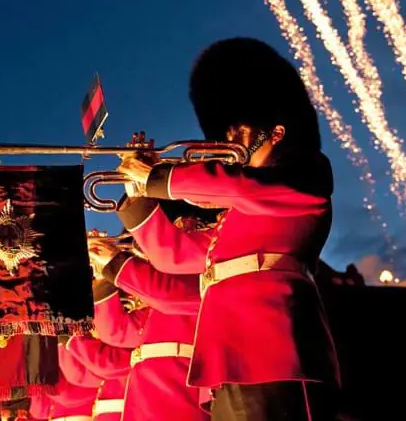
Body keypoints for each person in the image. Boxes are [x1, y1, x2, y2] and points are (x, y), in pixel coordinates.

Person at [111, 38, 341, 421]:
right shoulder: (237, 213)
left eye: (238, 132)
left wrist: (160, 177)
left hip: (276, 346)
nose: (227, 141)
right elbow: (175, 254)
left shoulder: (307, 171)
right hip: (228, 355)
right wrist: (137, 191)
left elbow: (238, 185)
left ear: (276, 132)